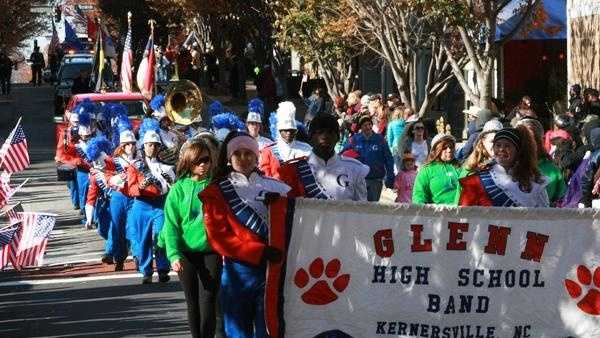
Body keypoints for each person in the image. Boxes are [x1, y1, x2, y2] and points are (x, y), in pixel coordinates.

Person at [200, 131, 290, 338]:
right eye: (237, 154)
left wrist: (282, 207)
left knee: (268, 331)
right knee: (237, 333)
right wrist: (259, 252)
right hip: (237, 273)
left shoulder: (278, 188)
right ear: (229, 158)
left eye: (248, 153)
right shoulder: (216, 192)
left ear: (257, 156)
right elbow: (218, 239)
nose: (243, 158)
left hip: (273, 270)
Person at [160, 138, 221, 338]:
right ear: (189, 162)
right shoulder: (178, 189)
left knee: (209, 299)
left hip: (211, 250)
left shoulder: (216, 186)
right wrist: (174, 255)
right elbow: (171, 226)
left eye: (207, 160)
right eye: (198, 161)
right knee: (192, 301)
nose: (203, 164)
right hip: (185, 253)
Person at [125, 126, 175, 284]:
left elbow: (173, 187)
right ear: (143, 146)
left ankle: (162, 269)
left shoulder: (167, 166)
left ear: (159, 147)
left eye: (155, 145)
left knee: (161, 235)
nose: (152, 148)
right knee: (143, 237)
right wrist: (141, 186)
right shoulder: (135, 166)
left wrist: (169, 181)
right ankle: (146, 270)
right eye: (149, 144)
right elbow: (130, 189)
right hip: (142, 204)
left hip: (160, 203)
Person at [279, 113, 369, 201]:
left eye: (330, 132)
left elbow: (361, 211)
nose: (325, 136)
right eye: (319, 132)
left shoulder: (355, 169)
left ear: (337, 137)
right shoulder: (293, 170)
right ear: (310, 137)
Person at [458, 127, 549, 207]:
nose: (501, 149)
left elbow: (544, 217)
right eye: (498, 145)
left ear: (518, 151)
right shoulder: (477, 181)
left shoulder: (534, 182)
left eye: (507, 146)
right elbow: (465, 217)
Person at [340, 115, 394, 201]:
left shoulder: (380, 139)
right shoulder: (355, 139)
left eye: (369, 124)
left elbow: (389, 158)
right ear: (361, 127)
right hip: (358, 180)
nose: (368, 127)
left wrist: (390, 176)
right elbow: (342, 154)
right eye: (365, 125)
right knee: (358, 207)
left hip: (375, 179)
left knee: (372, 208)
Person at [106, 128, 138, 270]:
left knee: (134, 228)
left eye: (132, 143)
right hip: (118, 197)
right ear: (122, 146)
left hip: (134, 197)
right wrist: (117, 178)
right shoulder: (114, 161)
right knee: (117, 228)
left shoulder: (140, 159)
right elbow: (107, 178)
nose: (130, 147)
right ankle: (119, 258)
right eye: (127, 144)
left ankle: (138, 257)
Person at [517, 118, 566, 206]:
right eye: (522, 139)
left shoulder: (552, 170)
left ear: (540, 142)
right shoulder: (507, 169)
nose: (526, 144)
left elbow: (563, 201)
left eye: (531, 140)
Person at [259, 101, 312, 179]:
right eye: (285, 130)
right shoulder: (268, 152)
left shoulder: (307, 148)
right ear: (280, 131)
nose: (288, 133)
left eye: (291, 130)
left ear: (296, 131)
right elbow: (265, 178)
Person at [412, 134, 461, 205]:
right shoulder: (426, 170)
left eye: (451, 147)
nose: (449, 150)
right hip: (439, 214)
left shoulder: (461, 167)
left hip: (462, 212)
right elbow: (418, 197)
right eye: (445, 147)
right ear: (436, 149)